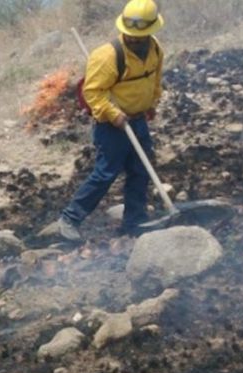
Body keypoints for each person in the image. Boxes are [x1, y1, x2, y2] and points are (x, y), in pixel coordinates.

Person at [56, 0, 165, 240]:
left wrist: (151, 104)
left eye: (140, 34)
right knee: (106, 173)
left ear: (151, 30)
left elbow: (154, 80)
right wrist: (113, 114)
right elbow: (92, 93)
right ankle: (69, 219)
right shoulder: (107, 56)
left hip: (137, 121)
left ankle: (134, 221)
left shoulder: (155, 49)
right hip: (112, 126)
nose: (135, 39)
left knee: (140, 170)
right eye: (131, 34)